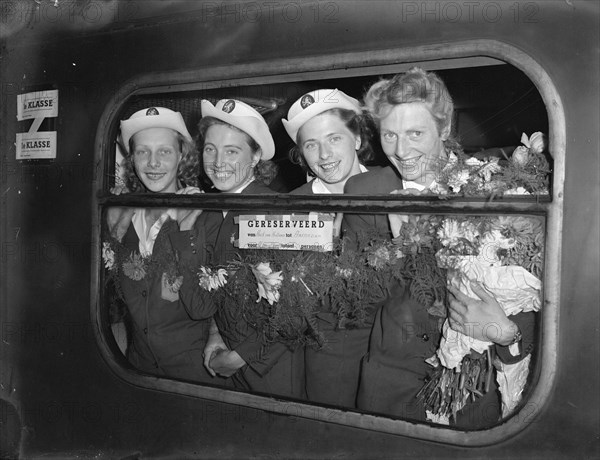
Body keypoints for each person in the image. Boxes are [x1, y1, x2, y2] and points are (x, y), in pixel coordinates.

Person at [343, 68, 535, 426]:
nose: (401, 150)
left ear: (444, 129)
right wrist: (401, 248)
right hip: (391, 385)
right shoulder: (363, 192)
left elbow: (530, 288)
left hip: (474, 390)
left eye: (415, 133)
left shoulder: (493, 188)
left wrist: (507, 332)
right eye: (389, 135)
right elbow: (357, 301)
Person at [171, 99, 305, 398]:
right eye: (210, 149)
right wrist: (184, 234)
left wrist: (239, 355)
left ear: (256, 156)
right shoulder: (206, 214)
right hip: (230, 367)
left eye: (232, 151)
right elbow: (200, 306)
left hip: (273, 370)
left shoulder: (275, 211)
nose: (218, 162)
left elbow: (297, 312)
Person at [106, 106, 216, 383]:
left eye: (164, 151)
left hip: (196, 375)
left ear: (182, 155)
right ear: (131, 159)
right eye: (143, 151)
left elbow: (214, 303)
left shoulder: (203, 213)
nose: (153, 163)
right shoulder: (122, 214)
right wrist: (111, 228)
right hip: (136, 369)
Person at [282, 88, 376, 407]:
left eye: (334, 138)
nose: (324, 155)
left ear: (358, 139)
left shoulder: (393, 189)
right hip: (327, 364)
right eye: (311, 144)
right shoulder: (288, 208)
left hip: (395, 358)